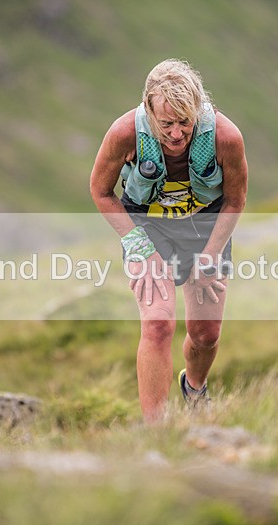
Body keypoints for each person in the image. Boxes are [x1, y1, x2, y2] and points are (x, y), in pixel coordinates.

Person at [90, 59, 248, 423]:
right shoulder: (124, 134)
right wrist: (138, 246)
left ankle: (194, 388)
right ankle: (156, 433)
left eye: (185, 123)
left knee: (205, 334)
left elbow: (235, 200)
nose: (177, 134)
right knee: (158, 323)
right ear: (148, 111)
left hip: (206, 227)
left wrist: (210, 256)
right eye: (166, 124)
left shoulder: (226, 137)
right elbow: (100, 191)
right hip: (148, 228)